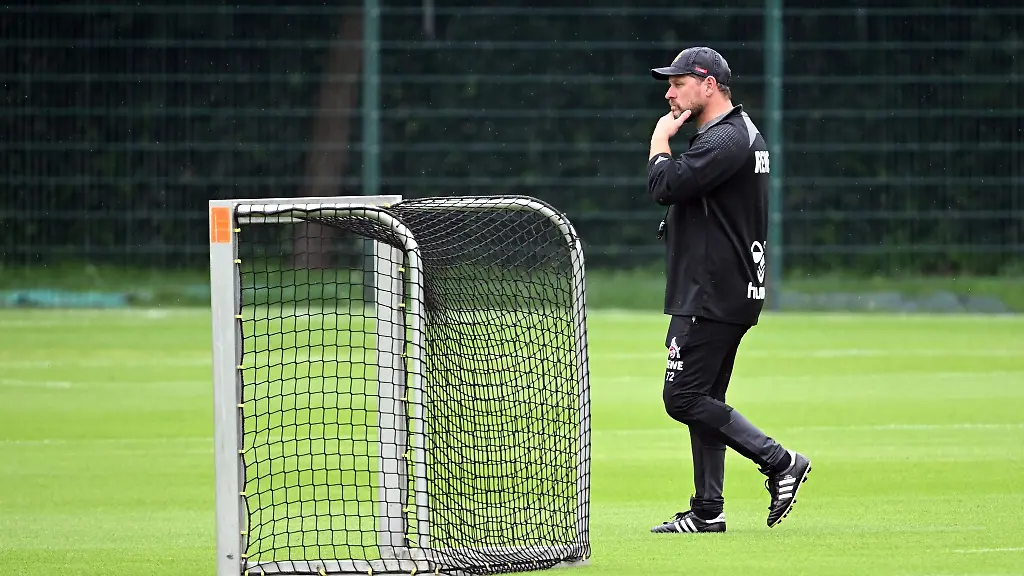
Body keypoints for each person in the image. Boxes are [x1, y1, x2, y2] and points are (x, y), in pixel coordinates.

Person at [645, 46, 811, 533]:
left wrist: (659, 140)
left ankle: (780, 461)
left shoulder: (726, 139)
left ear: (709, 84)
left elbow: (665, 184)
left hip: (712, 289)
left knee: (683, 398)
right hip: (724, 287)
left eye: (678, 83)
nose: (670, 93)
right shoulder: (735, 135)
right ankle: (707, 511)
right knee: (706, 398)